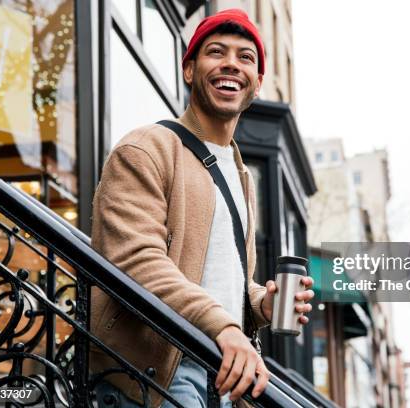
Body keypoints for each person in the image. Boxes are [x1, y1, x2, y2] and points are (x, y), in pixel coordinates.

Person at [90, 9, 314, 407]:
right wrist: (224, 327)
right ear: (190, 70)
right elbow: (136, 262)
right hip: (154, 370)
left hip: (223, 373)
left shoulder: (242, 175)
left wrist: (261, 303)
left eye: (246, 57)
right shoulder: (145, 149)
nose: (232, 63)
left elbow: (216, 279)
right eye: (216, 52)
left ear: (257, 84)